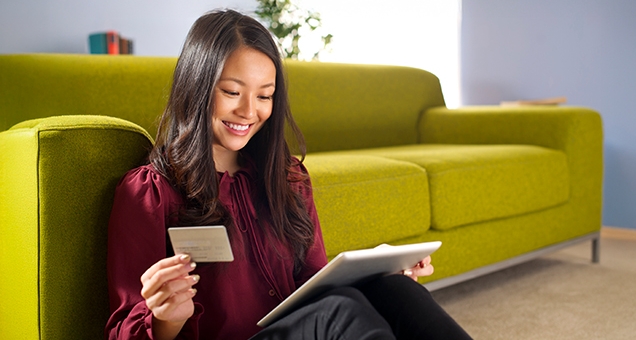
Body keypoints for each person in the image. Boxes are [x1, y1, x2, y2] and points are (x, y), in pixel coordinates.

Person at [105, 9, 472, 340]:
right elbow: (124, 329)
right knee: (339, 312)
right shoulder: (150, 192)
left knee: (396, 291)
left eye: (264, 96)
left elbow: (314, 285)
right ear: (196, 87)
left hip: (295, 328)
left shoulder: (287, 178)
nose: (249, 111)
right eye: (232, 92)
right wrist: (166, 318)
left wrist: (374, 270)